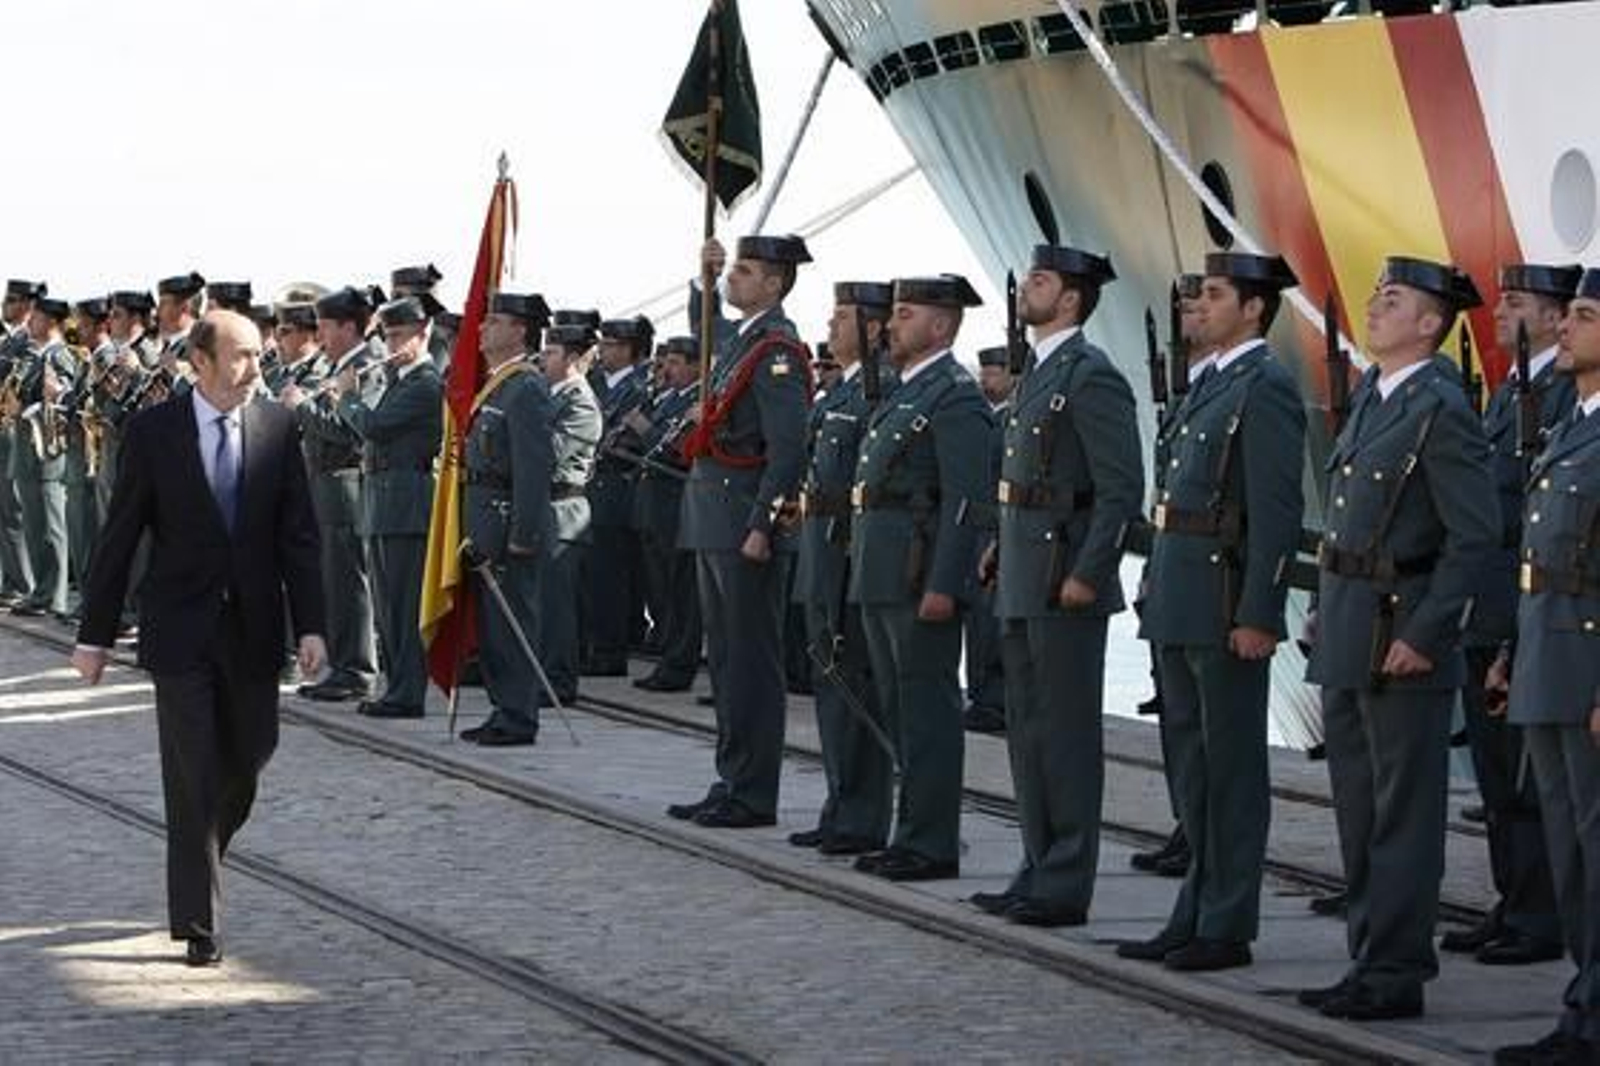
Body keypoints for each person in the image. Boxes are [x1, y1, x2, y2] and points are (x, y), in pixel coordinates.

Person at [72, 309, 326, 967]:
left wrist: (315, 625)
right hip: (179, 629)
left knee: (246, 762)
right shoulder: (154, 431)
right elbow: (120, 534)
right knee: (193, 772)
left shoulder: (277, 425)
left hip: (255, 628)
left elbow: (298, 535)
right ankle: (199, 920)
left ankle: (203, 851)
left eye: (258, 354)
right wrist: (94, 634)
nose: (255, 366)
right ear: (201, 362)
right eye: (240, 355)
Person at [1299, 256, 1497, 1021]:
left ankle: (1397, 971)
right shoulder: (1380, 398)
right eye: (1377, 295)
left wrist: (1425, 632)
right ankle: (1367, 958)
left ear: (1430, 324)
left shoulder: (1439, 408)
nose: (1376, 307)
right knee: (1357, 809)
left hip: (1399, 638)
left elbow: (1474, 539)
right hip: (1351, 630)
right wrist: (1323, 608)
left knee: (1402, 815)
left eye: (1396, 300)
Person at [1118, 252, 1305, 970]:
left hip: (1226, 602)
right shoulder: (1211, 384)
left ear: (1254, 308)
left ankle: (1226, 922)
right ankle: (1195, 907)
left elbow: (1276, 512)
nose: (1203, 302)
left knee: (1229, 770)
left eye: (1218, 293)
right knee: (1192, 770)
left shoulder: (1264, 388)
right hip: (1181, 599)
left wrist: (1260, 612)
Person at [973, 246, 1143, 920]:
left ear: (1070, 298)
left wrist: (1088, 573)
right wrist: (996, 549)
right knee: (1029, 732)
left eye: (1040, 279)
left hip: (1061, 579)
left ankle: (1066, 880)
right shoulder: (1039, 371)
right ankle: (1037, 864)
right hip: (1022, 573)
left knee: (1066, 736)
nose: (1027, 286)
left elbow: (1120, 489)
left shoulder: (1089, 375)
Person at [1445, 263, 1576, 967]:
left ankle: (1540, 915)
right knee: (1496, 776)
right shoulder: (1513, 390)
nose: (1499, 313)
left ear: (1558, 318)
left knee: (1526, 778)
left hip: (1524, 605)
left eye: (1517, 302)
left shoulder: (1561, 395)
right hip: (1487, 602)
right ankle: (1512, 897)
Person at [1489, 267, 1600, 1065]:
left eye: (1586, 316)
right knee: (1568, 847)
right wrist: (1511, 652)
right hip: (1547, 656)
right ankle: (1582, 1004)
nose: (1567, 327)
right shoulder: (1569, 428)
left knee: (1597, 846)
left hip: (1588, 665)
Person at [850, 274, 992, 881]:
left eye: (905, 315)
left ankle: (931, 842)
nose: (891, 325)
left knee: (927, 713)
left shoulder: (954, 396)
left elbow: (967, 501)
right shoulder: (905, 392)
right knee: (900, 709)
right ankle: (909, 832)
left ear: (941, 326)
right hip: (883, 571)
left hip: (918, 577)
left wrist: (946, 582)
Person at [666, 234, 811, 829]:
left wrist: (761, 524)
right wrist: (705, 280)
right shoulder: (743, 341)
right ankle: (731, 778)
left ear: (774, 284)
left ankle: (754, 792)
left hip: (741, 521)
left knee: (751, 661)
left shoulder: (777, 351)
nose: (737, 279)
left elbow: (788, 449)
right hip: (713, 517)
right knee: (724, 660)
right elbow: (712, 337)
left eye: (745, 272)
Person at [789, 281, 896, 856]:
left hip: (849, 549)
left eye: (841, 318)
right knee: (831, 682)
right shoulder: (838, 393)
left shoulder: (880, 393)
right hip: (819, 546)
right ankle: (841, 803)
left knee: (856, 682)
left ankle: (864, 814)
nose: (829, 328)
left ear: (874, 328)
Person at [336, 296, 442, 719]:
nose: (392, 344)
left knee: (403, 606)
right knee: (387, 607)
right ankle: (395, 687)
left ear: (423, 335)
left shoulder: (424, 383)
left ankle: (407, 692)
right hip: (384, 501)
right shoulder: (400, 380)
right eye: (388, 335)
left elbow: (375, 427)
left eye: (399, 336)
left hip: (407, 503)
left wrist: (347, 399)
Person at [458, 292, 556, 747]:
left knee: (514, 619)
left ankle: (520, 714)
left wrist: (524, 533)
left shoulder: (526, 387)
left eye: (493, 321)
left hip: (507, 518)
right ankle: (503, 707)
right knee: (494, 623)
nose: (481, 329)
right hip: (484, 514)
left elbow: (534, 470)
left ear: (519, 329)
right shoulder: (499, 384)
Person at [281, 286, 380, 702]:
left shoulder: (366, 366)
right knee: (331, 579)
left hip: (345, 480)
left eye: (324, 325)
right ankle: (340, 663)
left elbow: (352, 431)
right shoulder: (336, 364)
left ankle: (355, 668)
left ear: (348, 327)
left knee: (347, 579)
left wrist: (301, 407)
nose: (318, 332)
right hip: (322, 479)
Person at [630, 336, 703, 693]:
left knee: (679, 590)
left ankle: (678, 662)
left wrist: (644, 430)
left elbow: (675, 448)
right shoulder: (669, 399)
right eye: (667, 362)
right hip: (654, 504)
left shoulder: (696, 400)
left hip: (676, 505)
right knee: (660, 588)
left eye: (676, 363)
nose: (668, 370)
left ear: (695, 366)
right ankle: (666, 654)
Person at [537, 317, 602, 707]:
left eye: (551, 352)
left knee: (556, 607)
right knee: (539, 603)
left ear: (574, 359)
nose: (543, 358)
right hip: (543, 508)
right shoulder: (548, 395)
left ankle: (559, 680)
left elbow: (549, 454)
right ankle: (541, 674)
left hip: (563, 512)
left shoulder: (580, 402)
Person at [583, 316, 651, 675]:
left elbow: (630, 438)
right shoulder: (591, 382)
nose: (603, 350)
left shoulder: (641, 388)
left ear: (627, 349)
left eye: (610, 345)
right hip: (589, 486)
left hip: (614, 487)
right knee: (587, 575)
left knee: (608, 574)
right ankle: (589, 645)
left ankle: (609, 650)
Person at [9, 294, 78, 619]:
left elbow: (63, 402)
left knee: (52, 526)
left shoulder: (60, 356)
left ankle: (57, 596)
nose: (28, 322)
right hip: (26, 447)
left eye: (34, 317)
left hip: (48, 450)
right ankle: (41, 591)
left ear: (51, 321)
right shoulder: (32, 357)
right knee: (36, 525)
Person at [962, 345, 1011, 736]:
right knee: (976, 623)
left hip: (995, 528)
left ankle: (994, 701)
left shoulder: (1011, 422)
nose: (984, 380)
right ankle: (981, 694)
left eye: (992, 373)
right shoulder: (985, 418)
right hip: (976, 528)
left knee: (989, 622)